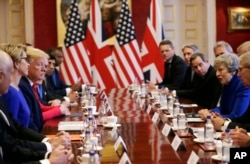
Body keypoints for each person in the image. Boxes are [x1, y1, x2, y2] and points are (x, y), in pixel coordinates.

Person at [0, 49, 73, 163]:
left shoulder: (2, 98)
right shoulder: (10, 93)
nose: (11, 79)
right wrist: (49, 160)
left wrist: (49, 144)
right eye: (10, 72)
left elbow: (17, 127)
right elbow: (10, 147)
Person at [198, 53, 250, 119]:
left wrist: (210, 117)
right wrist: (210, 112)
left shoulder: (243, 85)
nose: (217, 74)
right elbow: (222, 108)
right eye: (216, 70)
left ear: (233, 71)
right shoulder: (226, 84)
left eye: (220, 70)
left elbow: (237, 116)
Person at [0, 44, 31, 127]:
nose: (28, 64)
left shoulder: (17, 88)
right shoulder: (10, 92)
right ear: (16, 63)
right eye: (26, 59)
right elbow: (12, 129)